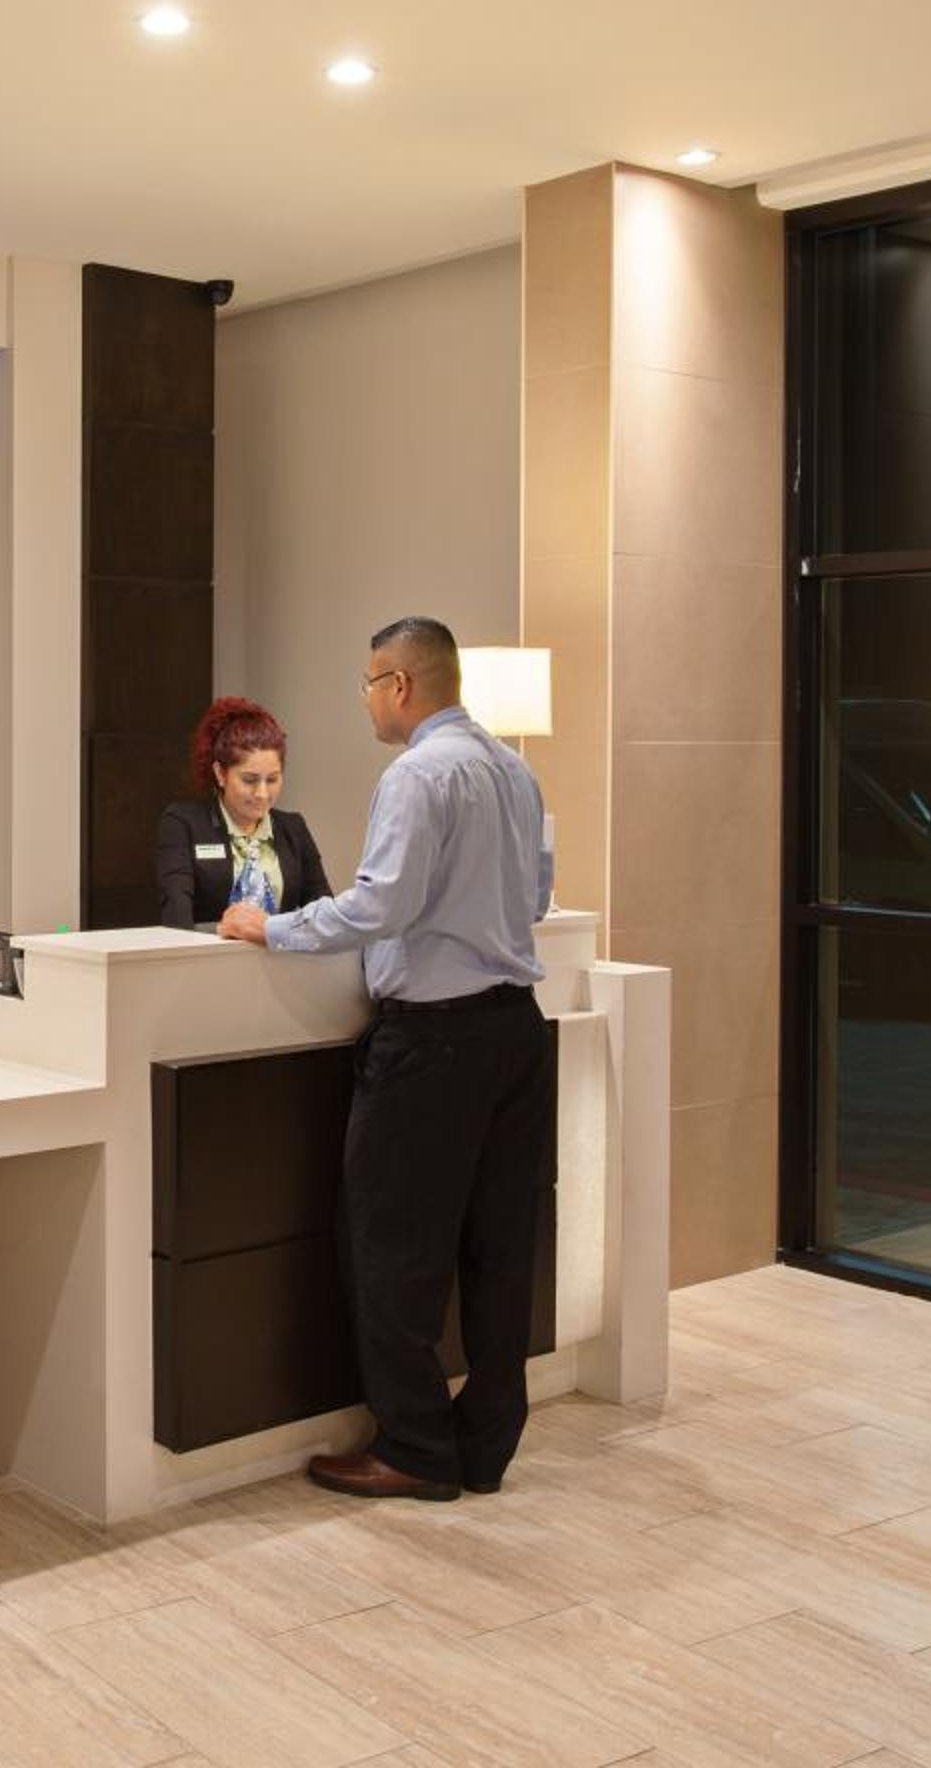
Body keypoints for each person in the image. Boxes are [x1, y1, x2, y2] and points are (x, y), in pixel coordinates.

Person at [220, 617, 554, 1502]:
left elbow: (380, 907)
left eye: (369, 684)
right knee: (501, 1250)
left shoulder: (417, 774)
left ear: (400, 685)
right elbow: (537, 895)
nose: (366, 701)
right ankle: (483, 1447)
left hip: (433, 1044)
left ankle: (414, 1447)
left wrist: (271, 927)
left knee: (393, 1247)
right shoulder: (513, 770)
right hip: (518, 1035)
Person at [154, 696, 332, 930]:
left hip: (280, 953)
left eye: (272, 779)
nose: (262, 794)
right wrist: (224, 931)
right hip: (207, 952)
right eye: (249, 780)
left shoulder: (293, 828)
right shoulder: (184, 824)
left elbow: (323, 913)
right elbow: (177, 919)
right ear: (220, 774)